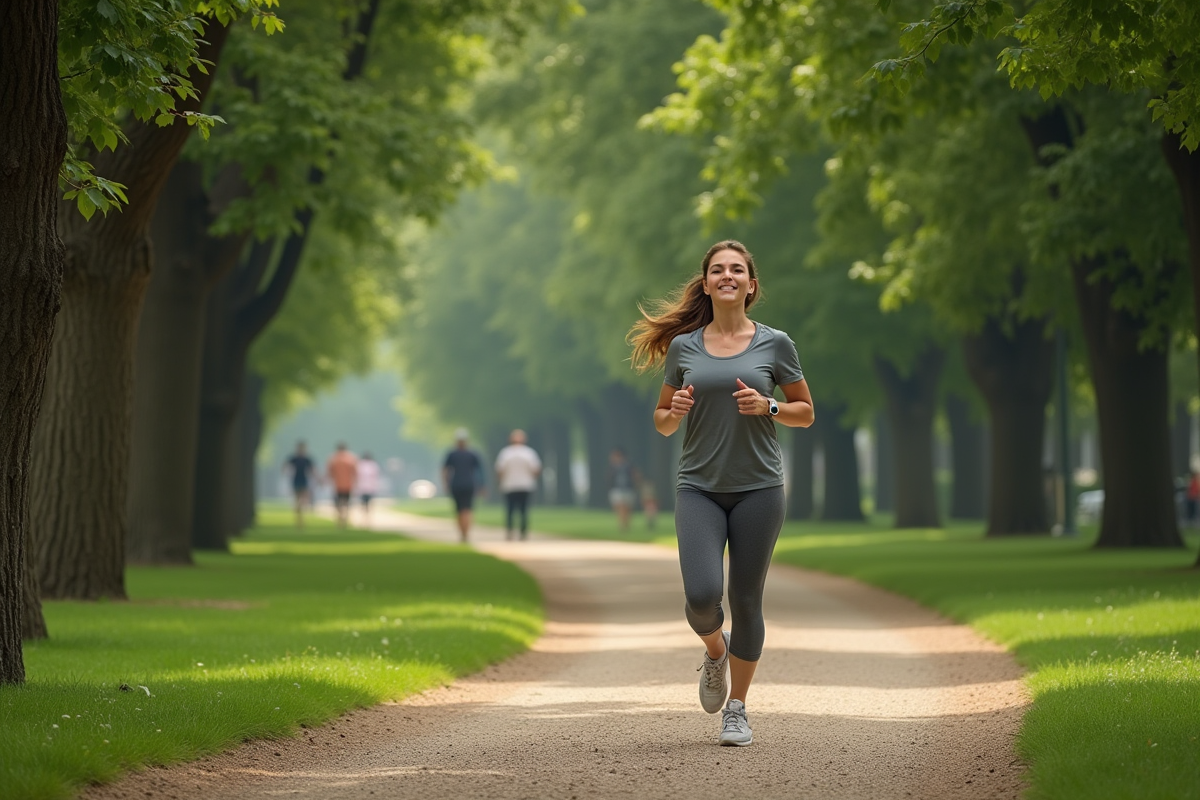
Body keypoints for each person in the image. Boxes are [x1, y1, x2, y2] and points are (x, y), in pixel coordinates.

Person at [629, 239, 814, 747]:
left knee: (746, 597)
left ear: (751, 285)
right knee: (702, 596)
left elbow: (805, 411)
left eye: (737, 269)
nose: (727, 275)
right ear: (706, 283)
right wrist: (678, 410)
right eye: (717, 269)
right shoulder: (686, 347)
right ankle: (716, 652)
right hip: (699, 489)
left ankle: (738, 708)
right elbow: (663, 421)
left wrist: (769, 406)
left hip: (759, 487)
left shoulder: (776, 344)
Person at [494, 429, 542, 541]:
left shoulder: (505, 453)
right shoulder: (529, 453)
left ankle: (510, 532)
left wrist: (500, 482)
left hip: (509, 485)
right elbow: (536, 469)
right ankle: (523, 532)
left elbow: (500, 470)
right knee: (524, 510)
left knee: (510, 510)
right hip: (525, 485)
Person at [442, 428, 484, 543]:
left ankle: (462, 534)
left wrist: (445, 483)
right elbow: (480, 471)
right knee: (467, 510)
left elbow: (445, 471)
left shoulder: (452, 454)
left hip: (456, 484)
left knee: (459, 510)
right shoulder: (472, 454)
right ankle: (465, 533)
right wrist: (482, 485)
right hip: (469, 484)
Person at [284, 441, 316, 529]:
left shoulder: (306, 459)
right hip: (296, 481)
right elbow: (285, 466)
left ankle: (300, 518)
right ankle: (299, 518)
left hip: (304, 481)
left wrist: (316, 478)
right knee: (297, 500)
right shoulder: (294, 458)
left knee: (302, 501)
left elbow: (312, 470)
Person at [326, 443, 359, 528]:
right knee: (346, 503)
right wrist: (356, 483)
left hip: (337, 485)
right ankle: (345, 519)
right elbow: (355, 473)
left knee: (338, 503)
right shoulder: (351, 458)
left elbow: (329, 472)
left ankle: (340, 518)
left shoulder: (333, 459)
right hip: (348, 484)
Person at [608, 448, 637, 532]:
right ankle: (622, 525)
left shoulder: (628, 465)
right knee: (620, 507)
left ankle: (625, 524)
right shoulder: (613, 467)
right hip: (617, 489)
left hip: (628, 489)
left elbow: (634, 475)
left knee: (627, 508)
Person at [356, 451, 383, 526]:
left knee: (364, 504)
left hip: (364, 488)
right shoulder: (373, 465)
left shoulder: (361, 465)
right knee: (368, 504)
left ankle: (365, 518)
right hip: (368, 488)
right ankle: (367, 518)